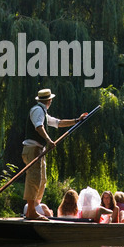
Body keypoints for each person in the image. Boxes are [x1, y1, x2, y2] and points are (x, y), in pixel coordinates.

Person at [22, 88, 87, 220]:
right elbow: (38, 127)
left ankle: (32, 210)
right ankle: (31, 212)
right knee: (34, 180)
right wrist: (49, 140)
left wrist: (77, 120)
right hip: (33, 149)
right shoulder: (37, 110)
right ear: (49, 100)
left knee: (42, 181)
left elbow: (58, 123)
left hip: (39, 149)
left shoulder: (43, 113)